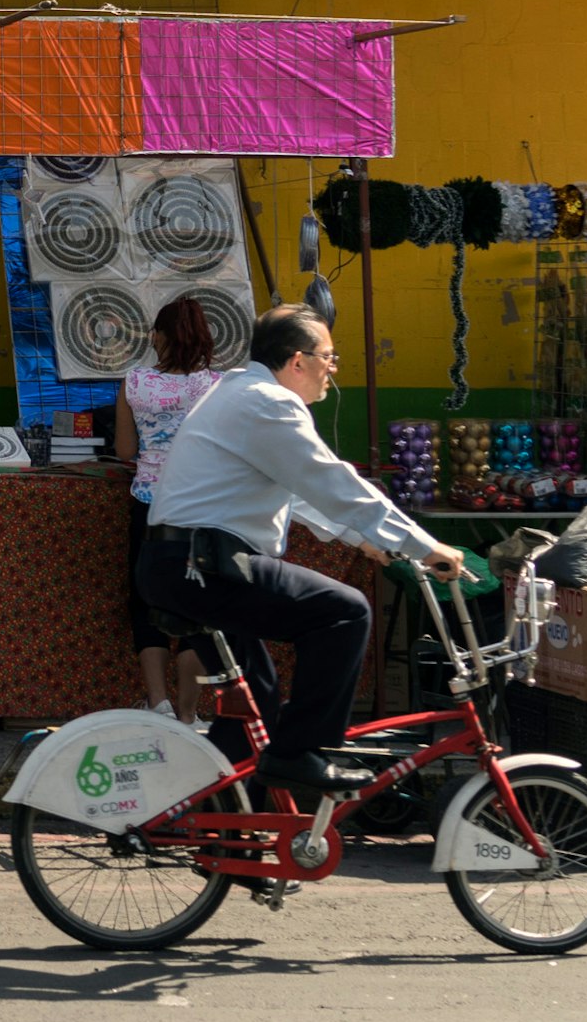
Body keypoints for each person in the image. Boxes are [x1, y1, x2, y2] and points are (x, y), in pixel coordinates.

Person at [135, 308, 472, 795]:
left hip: (185, 566)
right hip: (203, 566)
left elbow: (297, 490)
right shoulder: (268, 402)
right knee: (345, 612)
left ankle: (234, 837)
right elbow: (332, 482)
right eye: (328, 359)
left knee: (254, 702)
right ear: (297, 361)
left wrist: (366, 539)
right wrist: (423, 545)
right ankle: (300, 754)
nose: (332, 371)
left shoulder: (239, 392)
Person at [109, 295, 232, 724]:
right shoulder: (220, 386)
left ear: (157, 337)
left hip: (150, 505)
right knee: (199, 605)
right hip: (204, 507)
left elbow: (125, 449)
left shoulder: (134, 381)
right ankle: (187, 713)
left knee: (147, 601)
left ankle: (157, 702)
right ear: (203, 339)